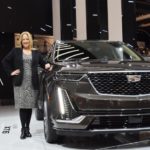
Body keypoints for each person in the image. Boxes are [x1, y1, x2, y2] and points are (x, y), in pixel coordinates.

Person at [2, 31, 51, 139]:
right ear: (21, 41)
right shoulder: (16, 51)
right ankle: (23, 130)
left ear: (30, 40)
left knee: (29, 107)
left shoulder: (36, 53)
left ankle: (27, 129)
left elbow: (43, 64)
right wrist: (11, 72)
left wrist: (48, 65)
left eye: (27, 39)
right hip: (20, 83)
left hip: (32, 83)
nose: (25, 41)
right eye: (23, 39)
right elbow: (5, 61)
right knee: (22, 107)